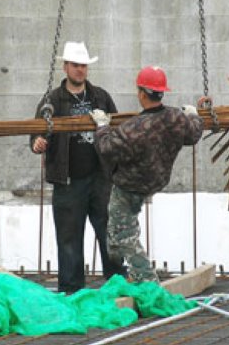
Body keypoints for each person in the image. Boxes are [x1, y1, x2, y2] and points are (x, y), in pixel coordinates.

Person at [90, 65, 207, 283]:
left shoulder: (133, 128)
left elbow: (106, 148)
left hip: (128, 186)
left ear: (141, 93)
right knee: (118, 226)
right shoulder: (176, 118)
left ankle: (146, 278)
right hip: (155, 181)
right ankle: (115, 250)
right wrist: (195, 116)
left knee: (125, 234)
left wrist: (102, 126)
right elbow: (193, 134)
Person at [30, 41, 126, 293]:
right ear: (65, 67)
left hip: (100, 178)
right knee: (69, 238)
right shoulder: (52, 100)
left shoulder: (101, 97)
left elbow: (116, 131)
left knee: (110, 232)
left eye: (83, 65)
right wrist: (37, 143)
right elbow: (36, 132)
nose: (80, 70)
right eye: (75, 65)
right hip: (68, 180)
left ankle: (117, 284)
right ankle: (72, 290)